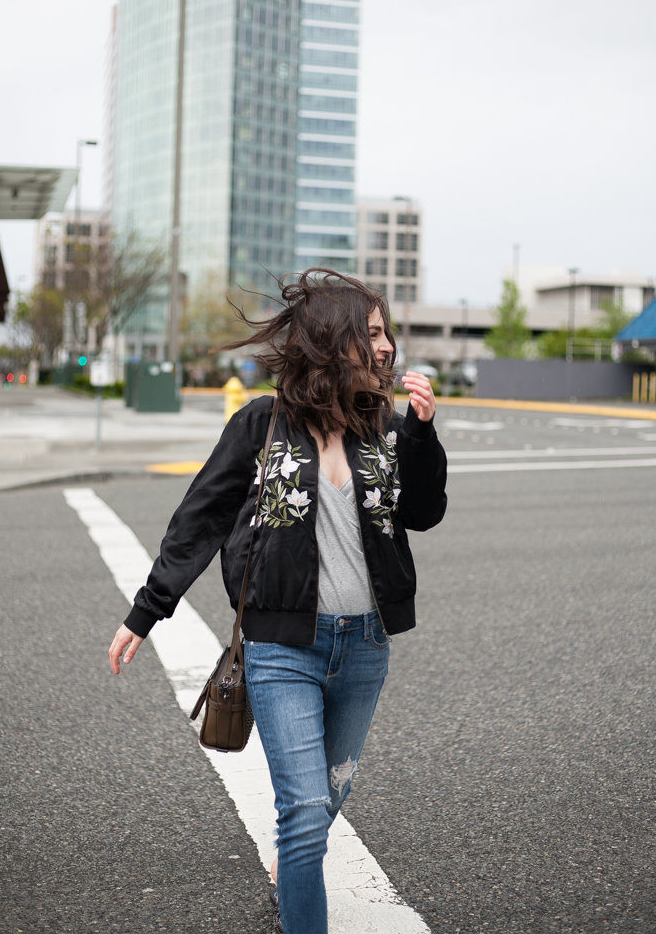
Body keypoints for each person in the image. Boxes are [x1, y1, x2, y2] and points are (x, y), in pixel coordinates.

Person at [108, 269, 448, 934]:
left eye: (386, 334)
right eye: (371, 332)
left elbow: (424, 512)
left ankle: (287, 868)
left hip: (364, 648)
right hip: (279, 647)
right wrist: (147, 611)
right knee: (302, 809)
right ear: (331, 338)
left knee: (323, 802)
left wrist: (423, 433)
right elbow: (199, 520)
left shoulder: (380, 422)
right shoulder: (260, 423)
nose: (386, 346)